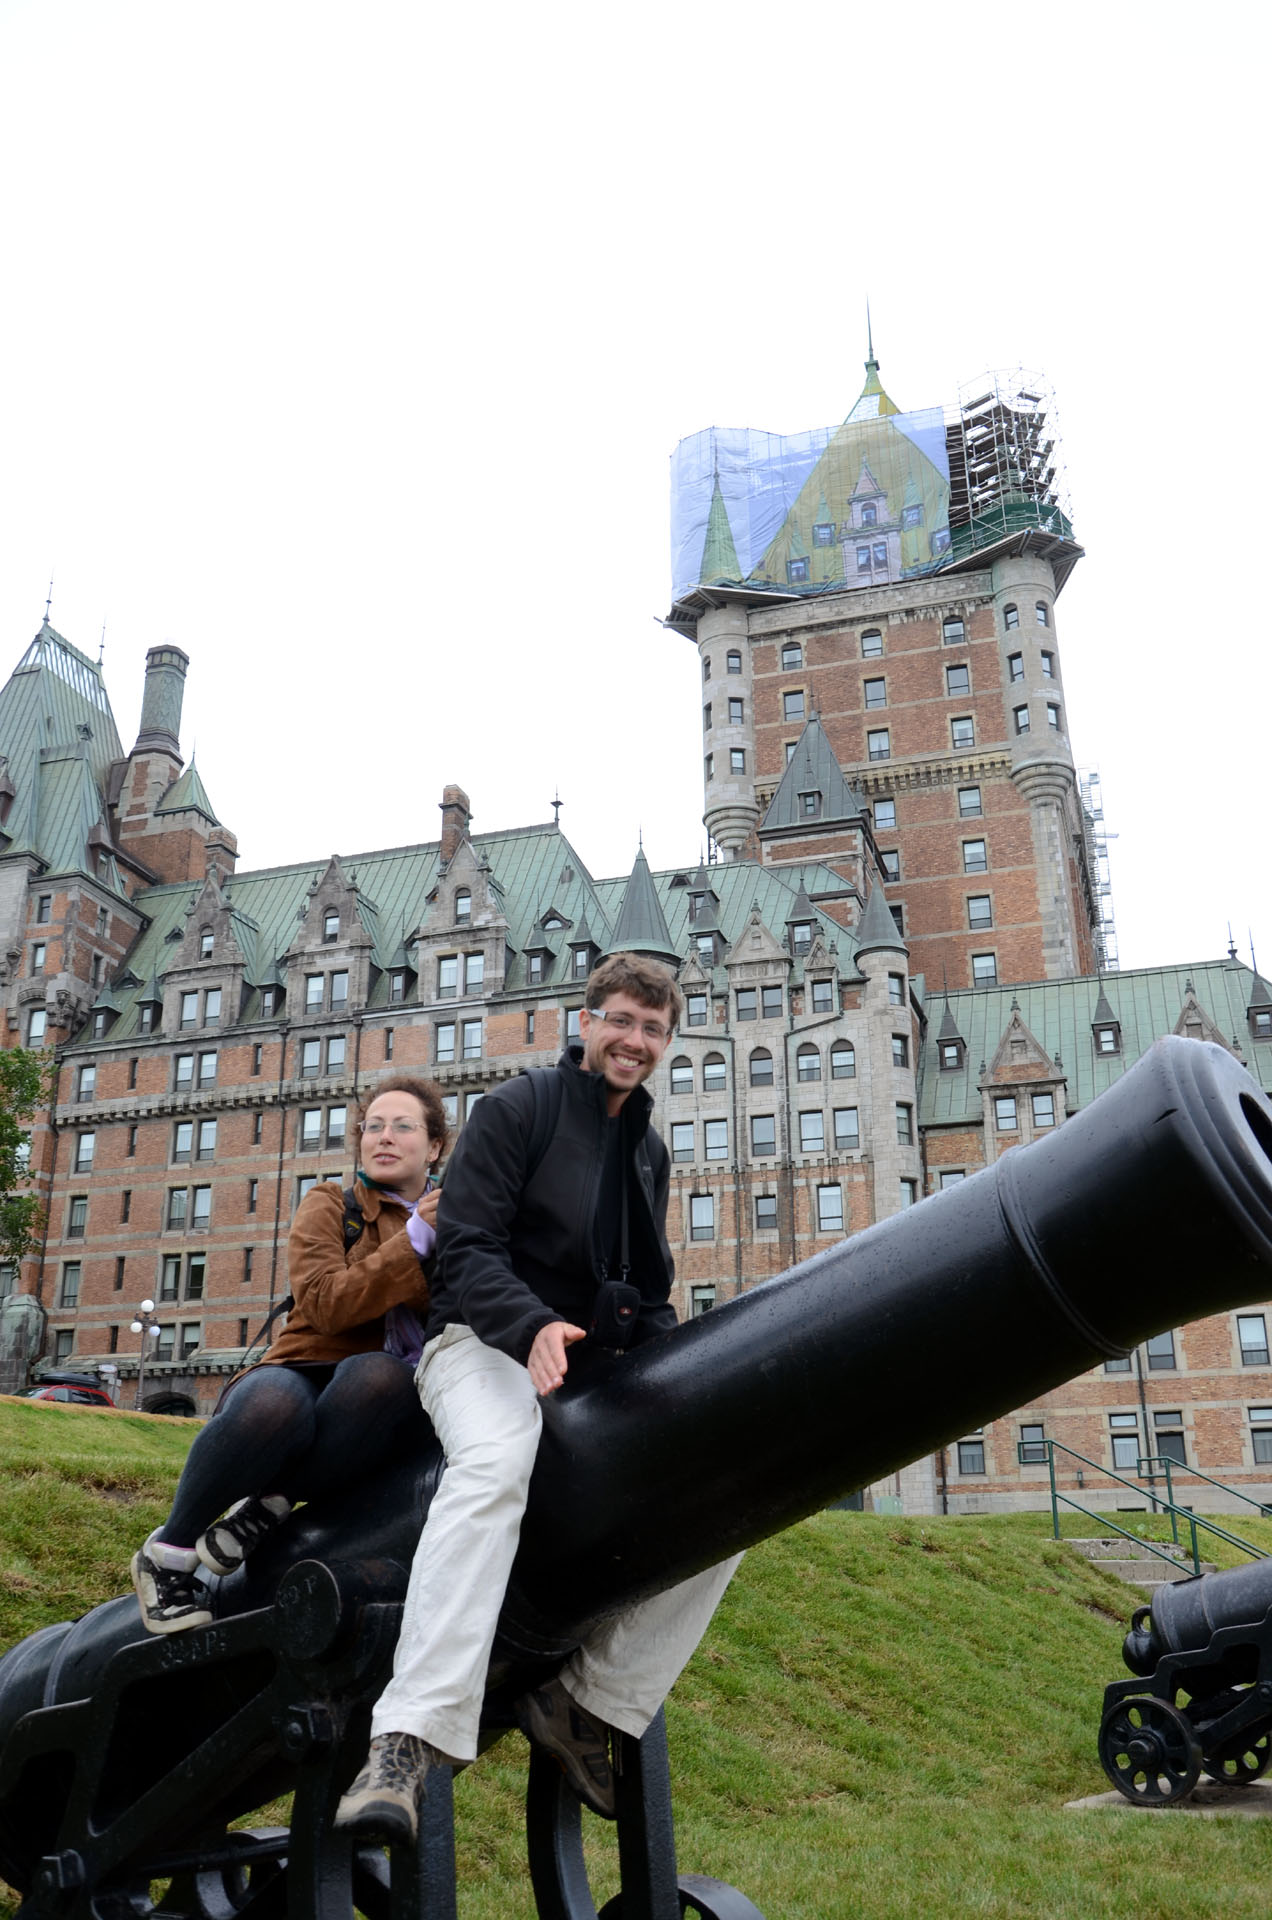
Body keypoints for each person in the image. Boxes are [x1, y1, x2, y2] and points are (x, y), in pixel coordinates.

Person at [334, 952, 739, 1844]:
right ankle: (405, 1740)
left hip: (586, 1355)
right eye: (622, 1020)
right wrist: (531, 1328)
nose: (635, 1041)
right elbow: (469, 1249)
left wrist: (697, 1371)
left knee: (728, 1491)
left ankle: (590, 1700)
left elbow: (651, 1289)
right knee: (494, 1459)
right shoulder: (517, 1110)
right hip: (480, 1343)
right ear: (586, 1021)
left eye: (653, 1029)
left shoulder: (648, 1150)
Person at [129, 1074, 448, 1634]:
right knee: (271, 1407)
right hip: (304, 1360)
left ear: (436, 1147)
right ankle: (168, 1553)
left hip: (382, 1394)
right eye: (373, 1126)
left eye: (403, 1126)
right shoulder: (331, 1202)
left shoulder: (461, 1216)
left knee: (380, 1376)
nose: (384, 1137)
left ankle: (272, 1502)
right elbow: (325, 1304)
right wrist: (414, 1240)